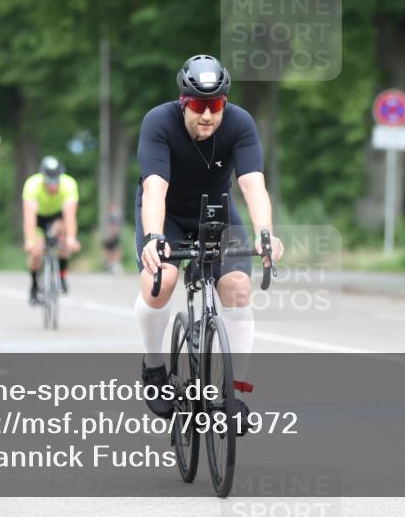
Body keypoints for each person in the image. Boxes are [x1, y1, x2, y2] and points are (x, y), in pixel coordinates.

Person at [134, 54, 283, 433]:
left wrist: (265, 233)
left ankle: (233, 394)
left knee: (237, 288)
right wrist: (153, 238)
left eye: (215, 105)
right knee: (161, 282)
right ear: (183, 102)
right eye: (199, 106)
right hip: (166, 213)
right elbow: (154, 188)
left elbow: (252, 185)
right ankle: (154, 368)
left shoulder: (240, 124)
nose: (207, 115)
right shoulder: (159, 122)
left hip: (216, 213)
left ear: (225, 104)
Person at [21, 156, 81, 305]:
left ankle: (62, 276)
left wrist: (71, 238)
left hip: (57, 217)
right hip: (38, 218)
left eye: (56, 181)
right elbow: (29, 218)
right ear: (42, 178)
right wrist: (30, 241)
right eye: (49, 181)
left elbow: (70, 215)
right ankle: (34, 285)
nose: (52, 186)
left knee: (65, 241)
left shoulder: (69, 184)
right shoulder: (32, 185)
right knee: (36, 252)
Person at [102, 205, 123, 274]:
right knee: (110, 249)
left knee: (115, 249)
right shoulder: (111, 216)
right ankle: (111, 264)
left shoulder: (114, 216)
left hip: (113, 235)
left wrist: (112, 235)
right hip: (111, 235)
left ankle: (115, 264)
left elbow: (114, 227)